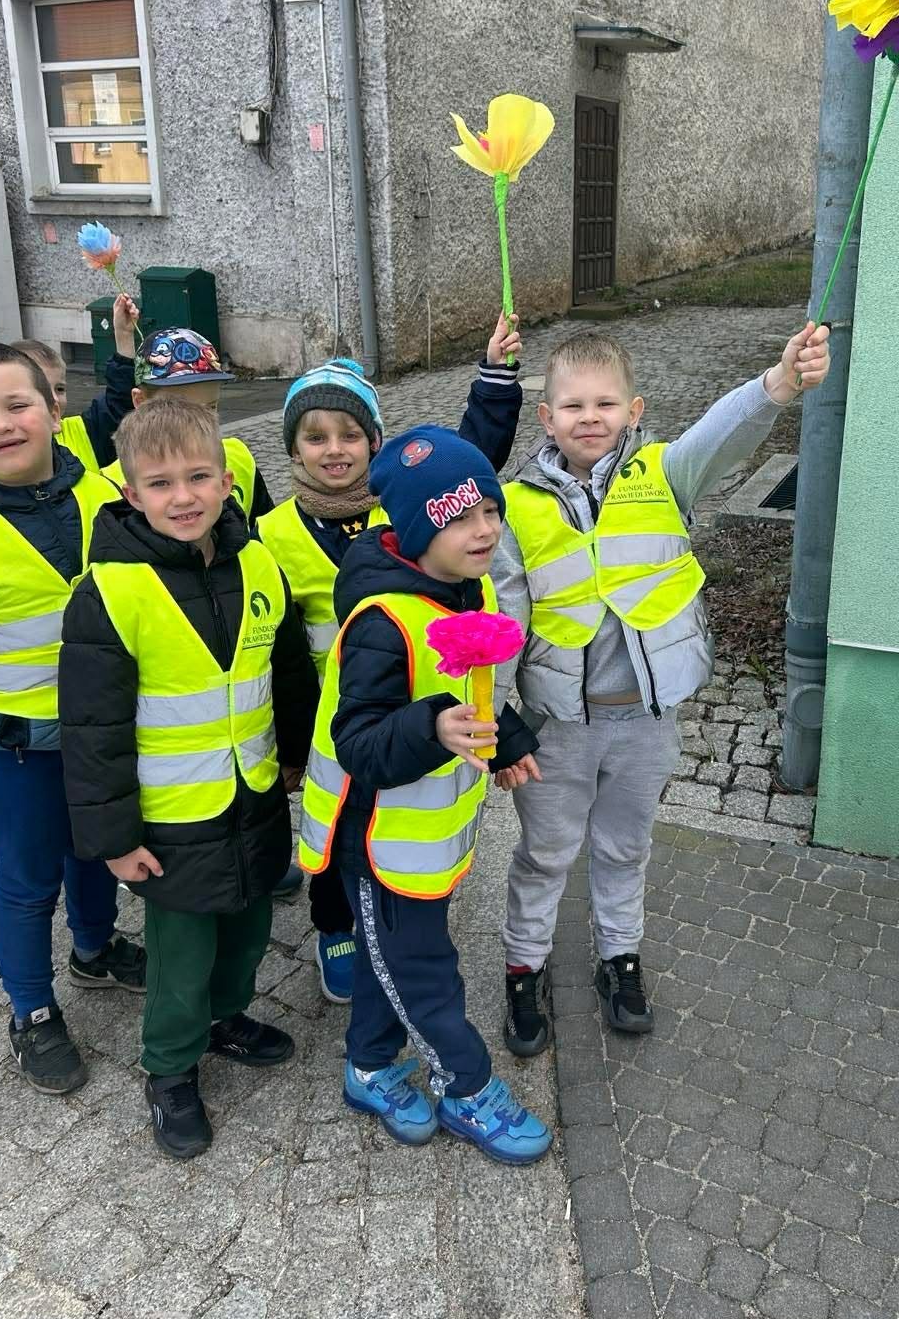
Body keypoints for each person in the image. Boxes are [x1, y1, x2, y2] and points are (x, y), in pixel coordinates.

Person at [493, 322, 831, 1054]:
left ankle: (620, 958)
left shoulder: (664, 474)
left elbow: (721, 434)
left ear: (634, 410)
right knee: (545, 853)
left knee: (624, 848)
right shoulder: (514, 506)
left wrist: (778, 385)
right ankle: (524, 967)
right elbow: (503, 624)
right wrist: (496, 725)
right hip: (558, 727)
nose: (590, 418)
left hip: (644, 723)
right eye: (573, 405)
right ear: (546, 417)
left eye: (605, 404)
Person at [59, 398, 319, 1159]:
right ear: (130, 493)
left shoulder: (258, 563)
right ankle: (170, 1067)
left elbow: (286, 668)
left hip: (255, 793)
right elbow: (93, 731)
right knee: (182, 953)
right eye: (161, 482)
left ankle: (225, 1018)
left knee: (249, 927)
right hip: (172, 816)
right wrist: (114, 839)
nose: (184, 496)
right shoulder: (110, 592)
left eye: (199, 477)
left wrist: (297, 753)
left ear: (228, 482)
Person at [297, 425, 550, 1163]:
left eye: (491, 511)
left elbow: (464, 689)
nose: (485, 530)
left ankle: (369, 1066)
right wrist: (433, 727)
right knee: (422, 970)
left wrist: (506, 741)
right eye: (460, 517)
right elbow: (359, 742)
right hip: (374, 843)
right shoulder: (383, 622)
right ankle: (467, 1087)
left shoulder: (463, 588)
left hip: (420, 843)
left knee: (390, 961)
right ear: (416, 530)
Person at [257, 314, 525, 1002]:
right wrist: (288, 739)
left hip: (401, 707)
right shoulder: (272, 533)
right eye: (315, 437)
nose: (334, 450)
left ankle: (391, 921)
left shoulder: (397, 518)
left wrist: (494, 381)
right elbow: (277, 651)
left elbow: (465, 466)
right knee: (333, 832)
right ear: (292, 449)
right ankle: (334, 928)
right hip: (328, 716)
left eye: (350, 435)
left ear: (374, 444)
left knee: (379, 828)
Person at [0, 343, 146, 1097]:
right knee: (27, 878)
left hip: (104, 733)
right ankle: (32, 1010)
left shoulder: (106, 493)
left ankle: (95, 949)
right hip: (16, 746)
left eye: (17, 404)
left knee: (94, 850)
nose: (1, 424)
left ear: (52, 409)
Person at [99, 326, 273, 524]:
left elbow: (262, 529)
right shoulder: (107, 486)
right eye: (178, 409)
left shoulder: (238, 457)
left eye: (210, 407)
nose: (197, 423)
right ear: (140, 401)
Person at [12, 292, 141, 472]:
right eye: (41, 389)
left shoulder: (83, 431)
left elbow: (119, 404)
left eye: (59, 389)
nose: (53, 398)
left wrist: (124, 335)